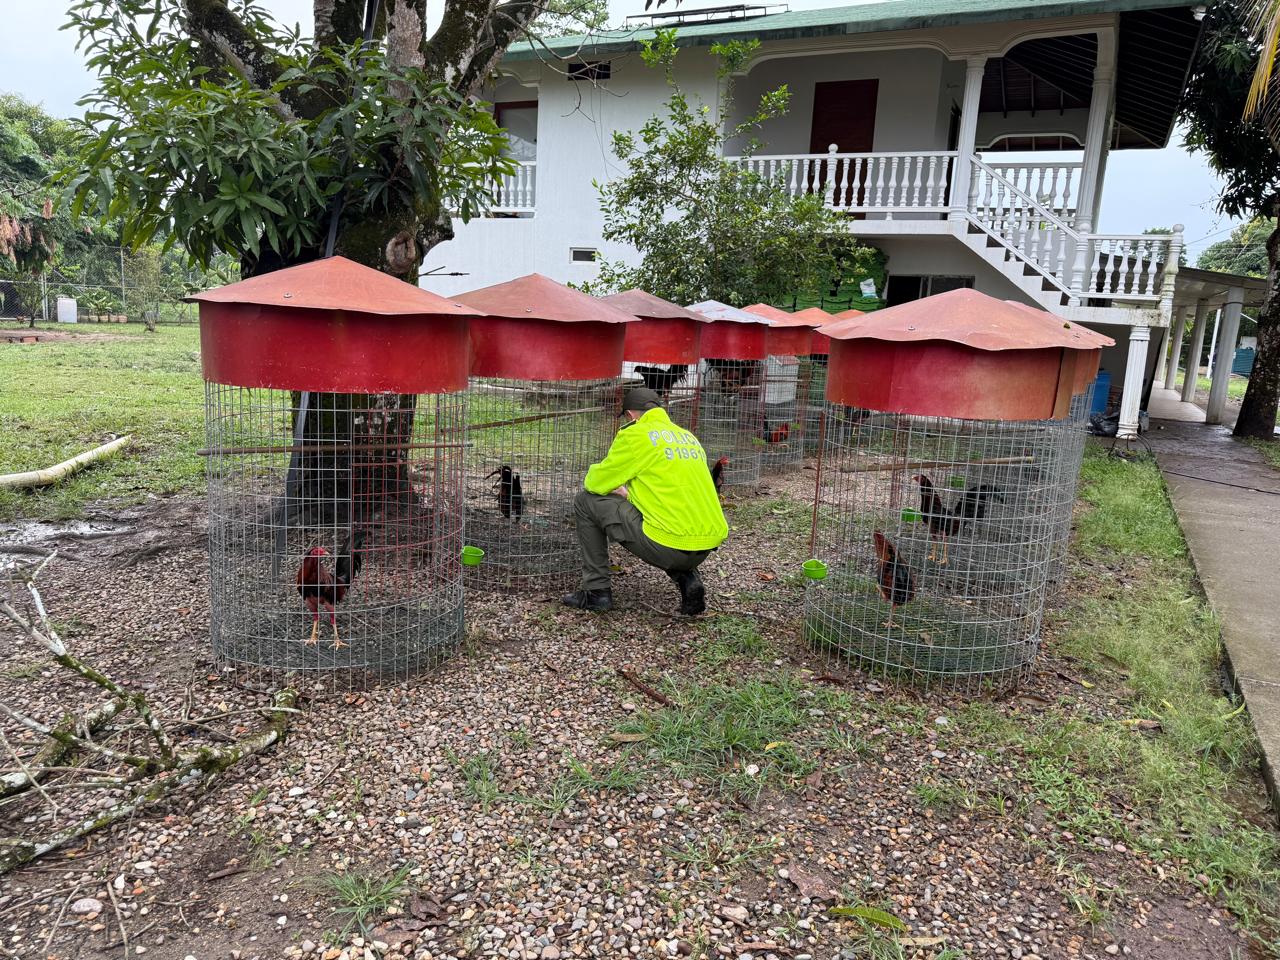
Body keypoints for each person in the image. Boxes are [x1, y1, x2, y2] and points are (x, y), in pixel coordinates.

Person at [562, 387, 728, 615]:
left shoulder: (635, 435)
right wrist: (631, 495)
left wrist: (615, 485)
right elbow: (673, 494)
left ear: (631, 415)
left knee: (585, 501)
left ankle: (596, 592)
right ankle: (688, 578)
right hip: (705, 546)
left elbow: (595, 483)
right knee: (670, 521)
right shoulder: (688, 437)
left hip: (669, 547)